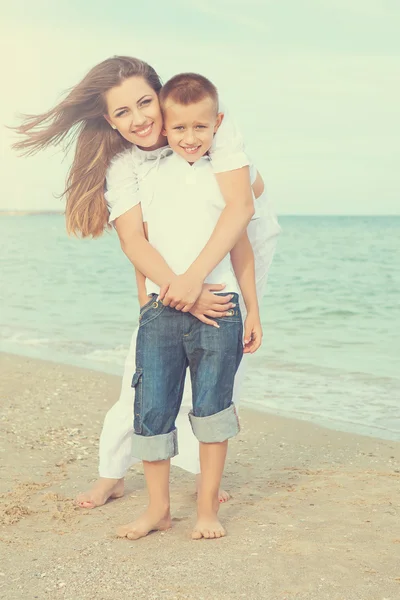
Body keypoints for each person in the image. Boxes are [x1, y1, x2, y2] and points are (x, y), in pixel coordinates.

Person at [12, 55, 281, 511]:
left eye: (144, 103)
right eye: (122, 112)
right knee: (144, 372)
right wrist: (163, 295)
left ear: (161, 95)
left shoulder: (209, 128)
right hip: (175, 264)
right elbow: (140, 237)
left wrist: (200, 287)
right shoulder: (125, 161)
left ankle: (202, 477)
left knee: (216, 372)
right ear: (109, 120)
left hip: (238, 243)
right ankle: (112, 474)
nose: (138, 119)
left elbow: (241, 208)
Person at [115, 72, 263, 541]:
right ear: (165, 127)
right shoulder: (148, 172)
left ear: (216, 124)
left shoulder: (224, 175)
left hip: (219, 307)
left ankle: (205, 508)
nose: (190, 137)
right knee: (152, 408)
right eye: (179, 129)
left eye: (200, 128)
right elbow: (136, 243)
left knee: (213, 409)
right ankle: (158, 509)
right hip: (163, 310)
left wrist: (254, 309)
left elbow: (241, 246)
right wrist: (153, 298)